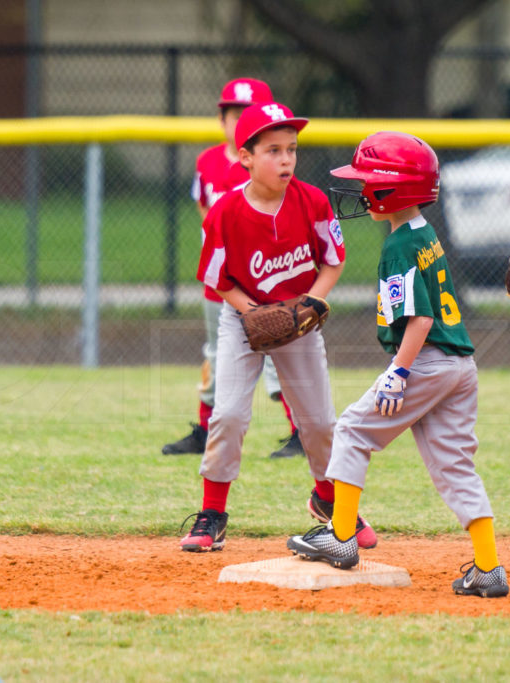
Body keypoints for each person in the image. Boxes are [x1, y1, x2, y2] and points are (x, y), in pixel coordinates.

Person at [286, 131, 509, 598]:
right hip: (459, 367)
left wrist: (398, 372)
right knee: (456, 468)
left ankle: (342, 537)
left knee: (351, 430)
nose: (361, 189)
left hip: (425, 362)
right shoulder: (424, 231)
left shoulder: (398, 247)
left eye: (368, 181)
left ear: (394, 190)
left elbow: (421, 318)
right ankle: (488, 567)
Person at [179, 101, 377, 553]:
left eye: (291, 149)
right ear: (245, 156)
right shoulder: (225, 212)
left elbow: (333, 261)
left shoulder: (313, 201)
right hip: (241, 319)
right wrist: (251, 311)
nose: (285, 159)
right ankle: (212, 513)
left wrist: (311, 302)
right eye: (272, 150)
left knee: (320, 421)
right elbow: (217, 280)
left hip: (300, 319)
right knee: (228, 415)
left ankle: (328, 501)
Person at [162, 77, 303, 460]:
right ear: (222, 118)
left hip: (264, 279)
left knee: (279, 353)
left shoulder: (267, 162)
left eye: (248, 114)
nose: (239, 119)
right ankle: (205, 430)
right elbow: (205, 213)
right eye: (234, 113)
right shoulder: (207, 161)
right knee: (216, 355)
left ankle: (301, 432)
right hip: (220, 284)